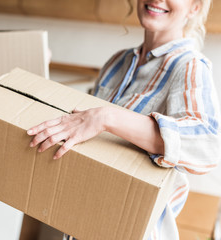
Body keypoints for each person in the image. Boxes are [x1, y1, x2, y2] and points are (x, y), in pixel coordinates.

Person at [27, 0, 220, 239]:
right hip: (78, 222)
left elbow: (207, 146)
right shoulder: (117, 62)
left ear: (194, 8)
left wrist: (107, 117)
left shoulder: (190, 66)